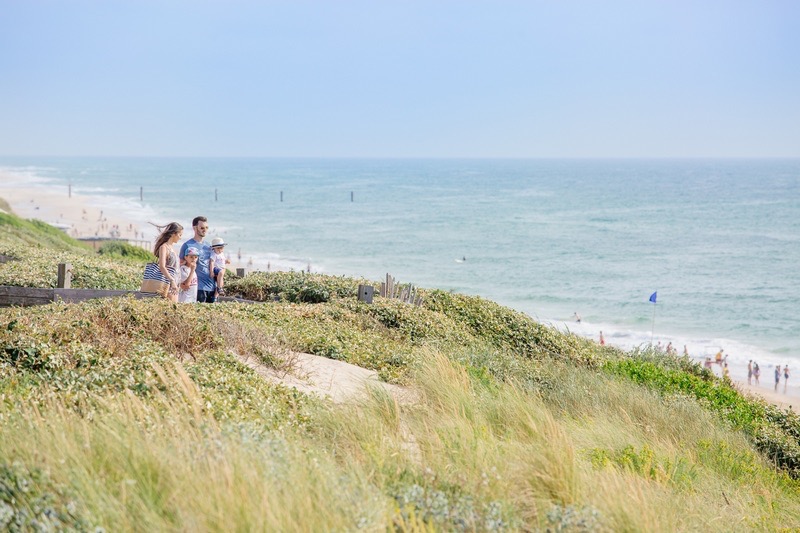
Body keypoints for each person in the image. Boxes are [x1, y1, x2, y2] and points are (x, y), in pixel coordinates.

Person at [179, 216, 215, 303]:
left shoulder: (209, 246)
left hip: (211, 286)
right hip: (197, 287)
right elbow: (180, 266)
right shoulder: (187, 245)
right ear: (194, 228)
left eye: (206, 227)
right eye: (202, 228)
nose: (205, 230)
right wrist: (180, 283)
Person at [152, 222, 182, 302]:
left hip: (175, 284)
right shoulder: (164, 247)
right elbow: (162, 266)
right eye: (179, 235)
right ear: (173, 234)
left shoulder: (173, 248)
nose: (180, 238)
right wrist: (172, 280)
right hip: (167, 284)